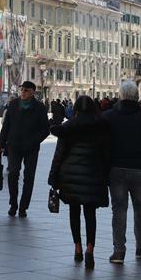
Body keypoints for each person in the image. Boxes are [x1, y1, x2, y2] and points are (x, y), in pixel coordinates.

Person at [103, 80, 141, 263]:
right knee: (140, 208)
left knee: (118, 210)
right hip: (140, 170)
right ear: (137, 97)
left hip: (116, 170)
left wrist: (107, 166)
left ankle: (119, 251)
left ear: (120, 96)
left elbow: (101, 145)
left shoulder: (108, 117)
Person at [48, 96, 110, 269]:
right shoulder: (101, 127)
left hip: (70, 175)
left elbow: (59, 154)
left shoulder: (69, 126)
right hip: (93, 174)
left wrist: (53, 177)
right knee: (90, 213)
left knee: (74, 212)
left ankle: (78, 248)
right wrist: (107, 176)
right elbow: (107, 154)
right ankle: (90, 249)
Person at [0, 81, 50, 217]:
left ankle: (23, 206)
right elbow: (6, 125)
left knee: (29, 177)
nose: (23, 92)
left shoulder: (40, 108)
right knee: (13, 173)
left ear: (33, 92)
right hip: (14, 145)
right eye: (22, 90)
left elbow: (45, 129)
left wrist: (34, 141)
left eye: (26, 90)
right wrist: (1, 144)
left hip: (31, 147)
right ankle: (13, 203)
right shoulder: (14, 105)